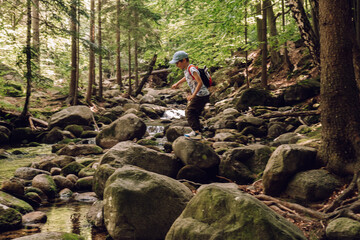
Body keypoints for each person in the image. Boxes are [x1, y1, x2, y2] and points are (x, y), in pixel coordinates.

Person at [170, 51, 210, 139]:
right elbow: (187, 77)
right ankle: (199, 130)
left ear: (183, 60)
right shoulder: (187, 69)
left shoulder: (192, 69)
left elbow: (200, 82)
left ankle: (196, 133)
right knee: (195, 112)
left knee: (189, 112)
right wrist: (177, 83)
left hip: (201, 94)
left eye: (177, 63)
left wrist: (193, 95)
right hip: (202, 94)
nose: (177, 65)